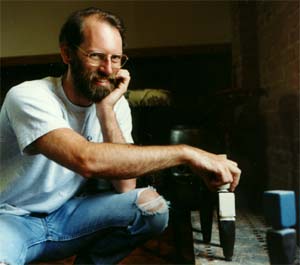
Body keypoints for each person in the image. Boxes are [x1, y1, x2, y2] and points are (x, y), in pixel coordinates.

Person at [0, 7, 241, 265]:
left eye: (116, 58)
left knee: (151, 208)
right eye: (96, 56)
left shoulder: (113, 104)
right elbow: (85, 159)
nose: (108, 69)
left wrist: (106, 110)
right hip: (10, 220)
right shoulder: (28, 96)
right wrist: (187, 153)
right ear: (67, 53)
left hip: (65, 216)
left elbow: (126, 186)